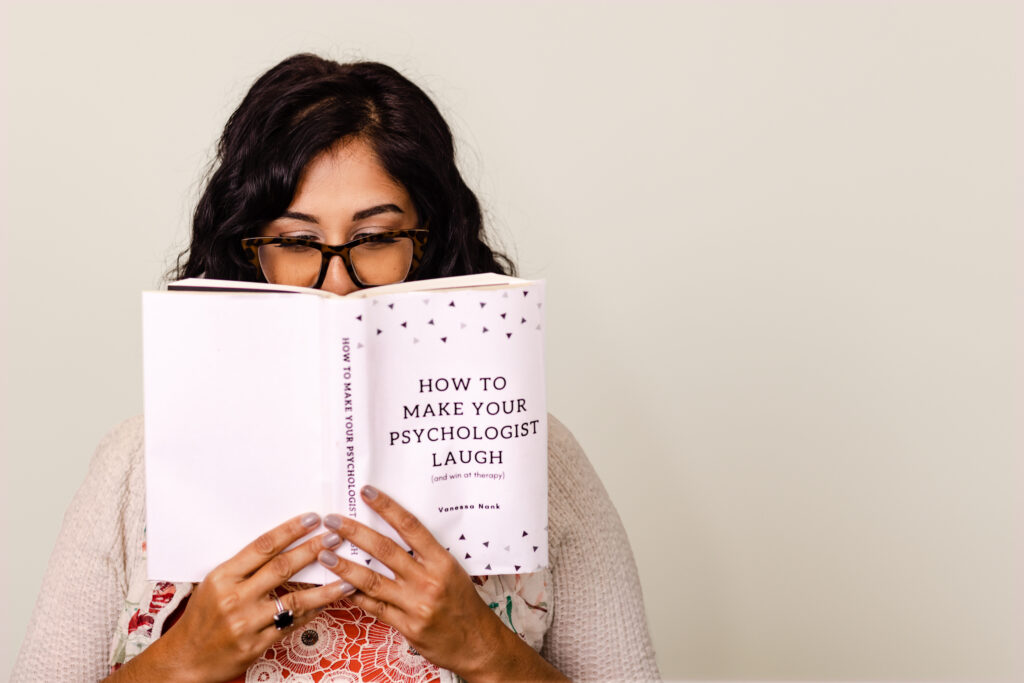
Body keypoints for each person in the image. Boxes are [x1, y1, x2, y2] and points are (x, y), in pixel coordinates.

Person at [12, 54, 659, 682]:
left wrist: (486, 648)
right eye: (296, 242)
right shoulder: (134, 467)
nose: (339, 285)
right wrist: (183, 660)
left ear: (429, 242)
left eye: (376, 237)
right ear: (248, 253)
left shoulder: (541, 461)